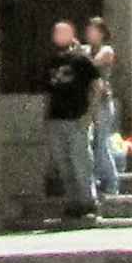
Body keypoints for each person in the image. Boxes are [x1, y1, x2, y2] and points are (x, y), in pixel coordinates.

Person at [41, 20, 105, 221]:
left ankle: (88, 202)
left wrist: (89, 114)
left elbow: (97, 85)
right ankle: (73, 202)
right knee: (64, 163)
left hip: (77, 117)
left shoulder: (81, 60)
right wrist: (46, 117)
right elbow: (49, 93)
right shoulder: (51, 63)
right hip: (56, 118)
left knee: (81, 161)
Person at [82, 16, 125, 203]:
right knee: (93, 145)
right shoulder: (85, 50)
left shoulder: (106, 50)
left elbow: (90, 64)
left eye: (94, 30)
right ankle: (100, 181)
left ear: (101, 33)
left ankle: (112, 183)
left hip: (103, 102)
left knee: (101, 143)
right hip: (89, 102)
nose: (90, 33)